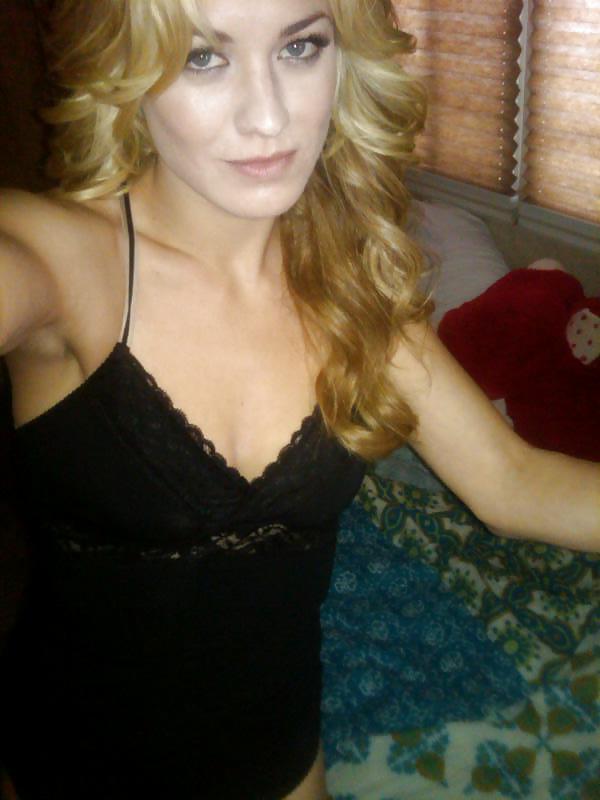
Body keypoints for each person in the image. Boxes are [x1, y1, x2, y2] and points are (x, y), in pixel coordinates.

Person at [0, 0, 598, 798]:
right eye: (203, 58)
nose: (269, 115)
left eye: (301, 46)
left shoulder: (351, 291)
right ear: (127, 74)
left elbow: (514, 483)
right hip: (66, 760)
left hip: (278, 757)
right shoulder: (56, 260)